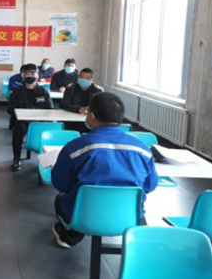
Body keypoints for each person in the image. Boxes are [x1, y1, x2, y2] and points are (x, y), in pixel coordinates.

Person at [51, 92, 158, 248]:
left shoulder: (75, 148)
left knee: (61, 198)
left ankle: (70, 236)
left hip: (85, 216)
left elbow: (61, 184)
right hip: (129, 217)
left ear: (91, 117)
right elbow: (149, 186)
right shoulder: (143, 150)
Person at [7, 64, 53, 171]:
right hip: (22, 121)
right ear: (23, 76)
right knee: (19, 129)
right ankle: (17, 158)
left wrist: (37, 116)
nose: (29, 75)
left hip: (39, 121)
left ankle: (48, 159)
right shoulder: (17, 92)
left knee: (50, 129)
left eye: (32, 73)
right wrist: (23, 116)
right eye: (27, 73)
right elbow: (10, 109)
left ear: (37, 75)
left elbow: (49, 108)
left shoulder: (43, 92)